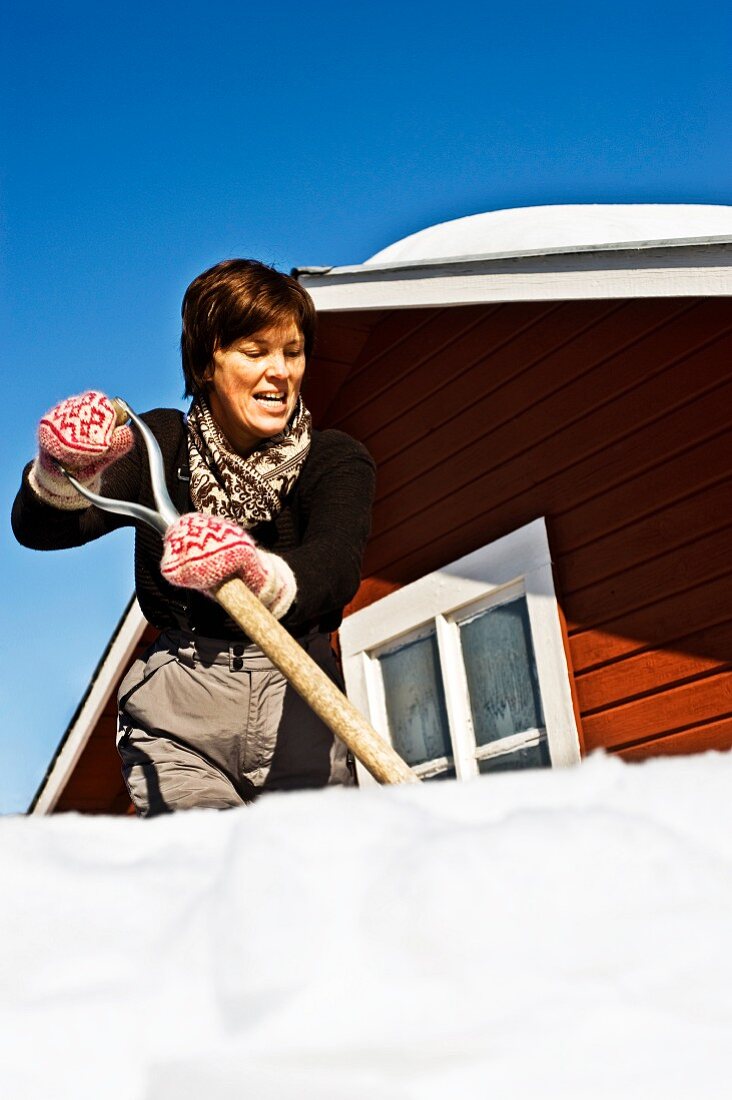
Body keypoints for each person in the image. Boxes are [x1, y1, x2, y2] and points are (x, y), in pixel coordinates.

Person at [12, 259, 376, 816]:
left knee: (308, 881)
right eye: (255, 352)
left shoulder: (334, 460)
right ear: (208, 362)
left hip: (299, 700)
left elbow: (334, 568)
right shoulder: (160, 442)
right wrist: (62, 473)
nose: (279, 371)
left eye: (292, 351)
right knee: (212, 867)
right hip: (184, 705)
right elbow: (40, 529)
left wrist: (255, 574)